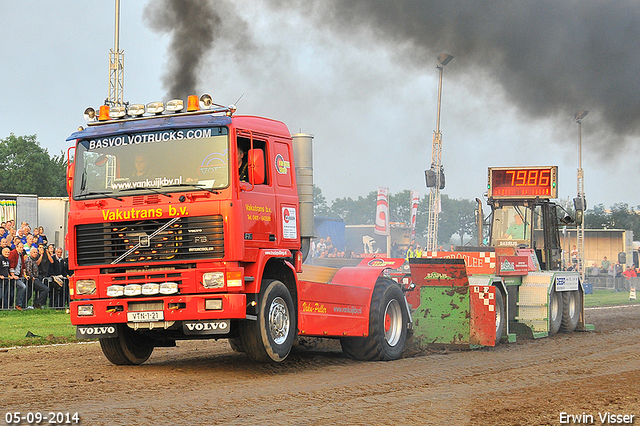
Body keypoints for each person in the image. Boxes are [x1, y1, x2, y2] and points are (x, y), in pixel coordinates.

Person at [8, 243, 29, 310]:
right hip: (13, 276)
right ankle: (17, 304)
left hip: (18, 275)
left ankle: (15, 305)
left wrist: (25, 275)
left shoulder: (21, 254)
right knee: (22, 287)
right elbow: (11, 264)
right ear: (16, 247)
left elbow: (23, 266)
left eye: (22, 247)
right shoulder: (13, 253)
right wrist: (13, 275)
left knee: (13, 291)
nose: (21, 249)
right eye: (20, 247)